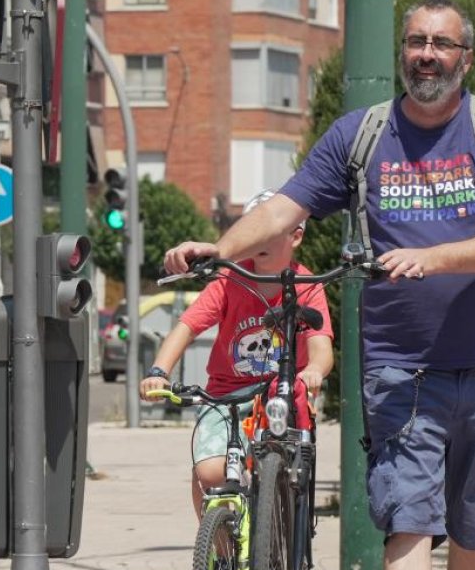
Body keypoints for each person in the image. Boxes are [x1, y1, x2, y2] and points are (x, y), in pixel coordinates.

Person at [164, 0, 475, 570]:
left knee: (472, 523)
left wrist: (432, 258)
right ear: (404, 52)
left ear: (466, 58)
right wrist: (220, 248)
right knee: (408, 515)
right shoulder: (362, 135)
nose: (427, 53)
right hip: (398, 362)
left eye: (442, 43)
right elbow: (286, 206)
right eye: (416, 41)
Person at [141, 190, 334, 519]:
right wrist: (159, 371)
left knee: (285, 474)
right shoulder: (229, 279)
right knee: (209, 473)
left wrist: (314, 369)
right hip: (225, 395)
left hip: (280, 395)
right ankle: (220, 557)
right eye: (251, 228)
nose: (256, 238)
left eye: (267, 230)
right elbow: (187, 327)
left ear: (296, 235)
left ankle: (277, 537)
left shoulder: (307, 284)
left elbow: (321, 345)